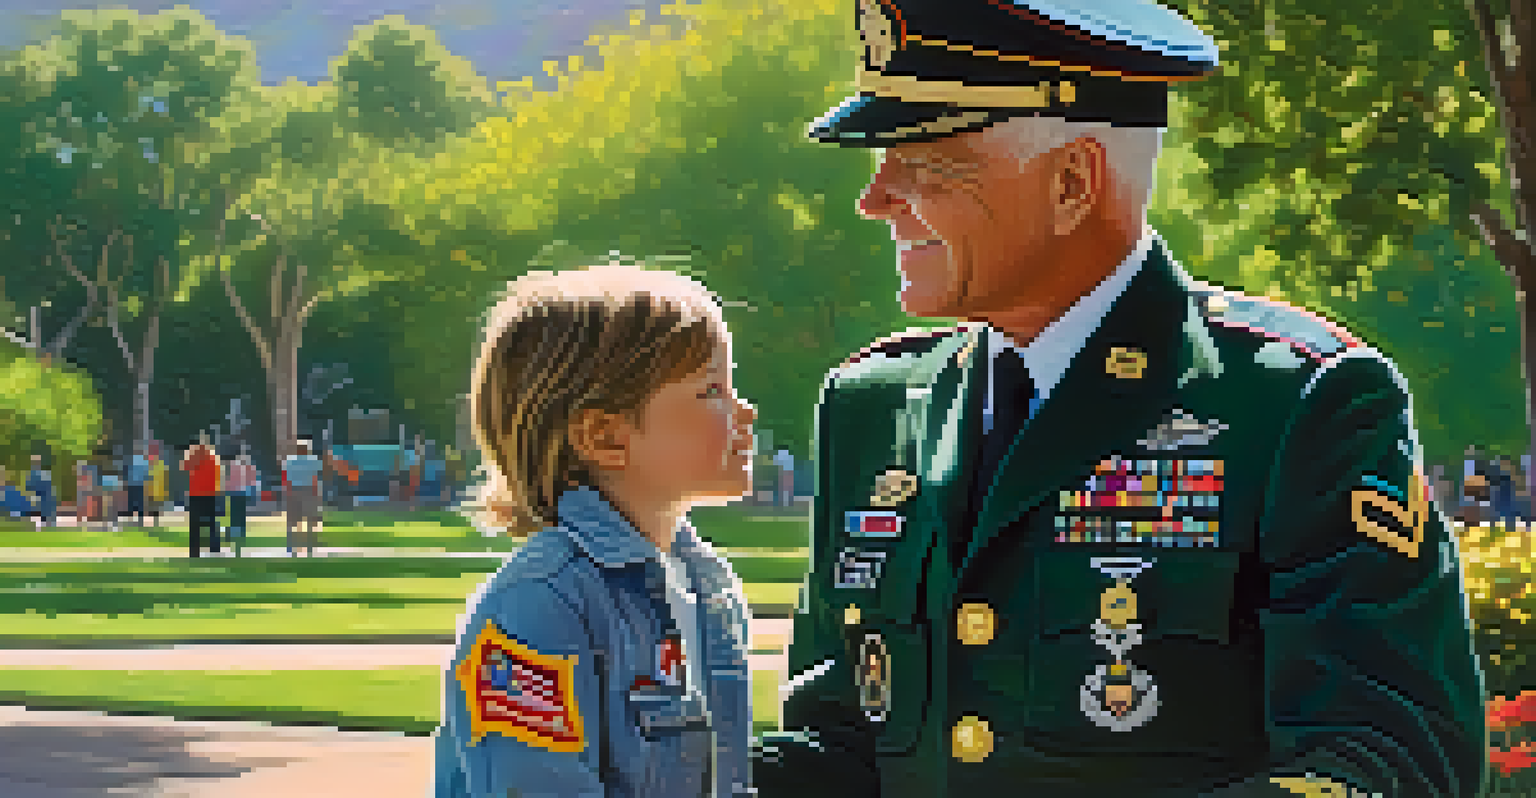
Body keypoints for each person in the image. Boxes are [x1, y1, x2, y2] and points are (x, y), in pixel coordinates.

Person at [751, 2, 1486, 797]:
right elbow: (841, 746)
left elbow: (1393, 755)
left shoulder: (1298, 401)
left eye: (927, 162)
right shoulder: (873, 406)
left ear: (1073, 183)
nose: (877, 197)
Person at [429, 264, 757, 797]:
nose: (744, 411)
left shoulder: (709, 588)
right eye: (711, 391)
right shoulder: (539, 604)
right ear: (604, 435)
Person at [283, 438, 325, 557]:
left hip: (293, 490)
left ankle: (290, 543)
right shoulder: (313, 460)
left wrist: (287, 492)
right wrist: (317, 494)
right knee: (310, 517)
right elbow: (315, 478)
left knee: (292, 519)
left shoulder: (289, 461)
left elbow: (287, 479)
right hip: (308, 490)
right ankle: (310, 542)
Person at [182, 438, 221, 557]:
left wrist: (187, 453)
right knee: (212, 521)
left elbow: (184, 466)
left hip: (195, 493)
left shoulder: (193, 456)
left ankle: (194, 550)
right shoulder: (213, 456)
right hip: (210, 493)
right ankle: (214, 548)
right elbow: (218, 473)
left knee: (194, 524)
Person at [225, 447, 259, 557]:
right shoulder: (246, 466)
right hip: (240, 493)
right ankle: (239, 537)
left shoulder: (233, 466)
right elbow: (252, 480)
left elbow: (228, 480)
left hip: (235, 493)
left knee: (235, 516)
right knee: (240, 516)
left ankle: (235, 537)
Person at [123, 443, 150, 528]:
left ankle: (132, 521)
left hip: (133, 484)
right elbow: (146, 473)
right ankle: (140, 521)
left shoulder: (131, 460)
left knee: (132, 502)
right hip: (139, 484)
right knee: (139, 503)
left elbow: (126, 471)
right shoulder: (143, 460)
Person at [25, 455, 55, 530]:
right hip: (39, 499)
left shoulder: (43, 475)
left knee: (44, 509)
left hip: (43, 500)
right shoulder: (34, 475)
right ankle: (43, 523)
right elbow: (29, 488)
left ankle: (45, 523)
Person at [146, 445, 168, 528]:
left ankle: (155, 522)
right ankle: (154, 521)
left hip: (157, 488)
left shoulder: (157, 465)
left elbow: (164, 478)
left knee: (155, 506)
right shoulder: (157, 465)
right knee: (154, 506)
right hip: (155, 488)